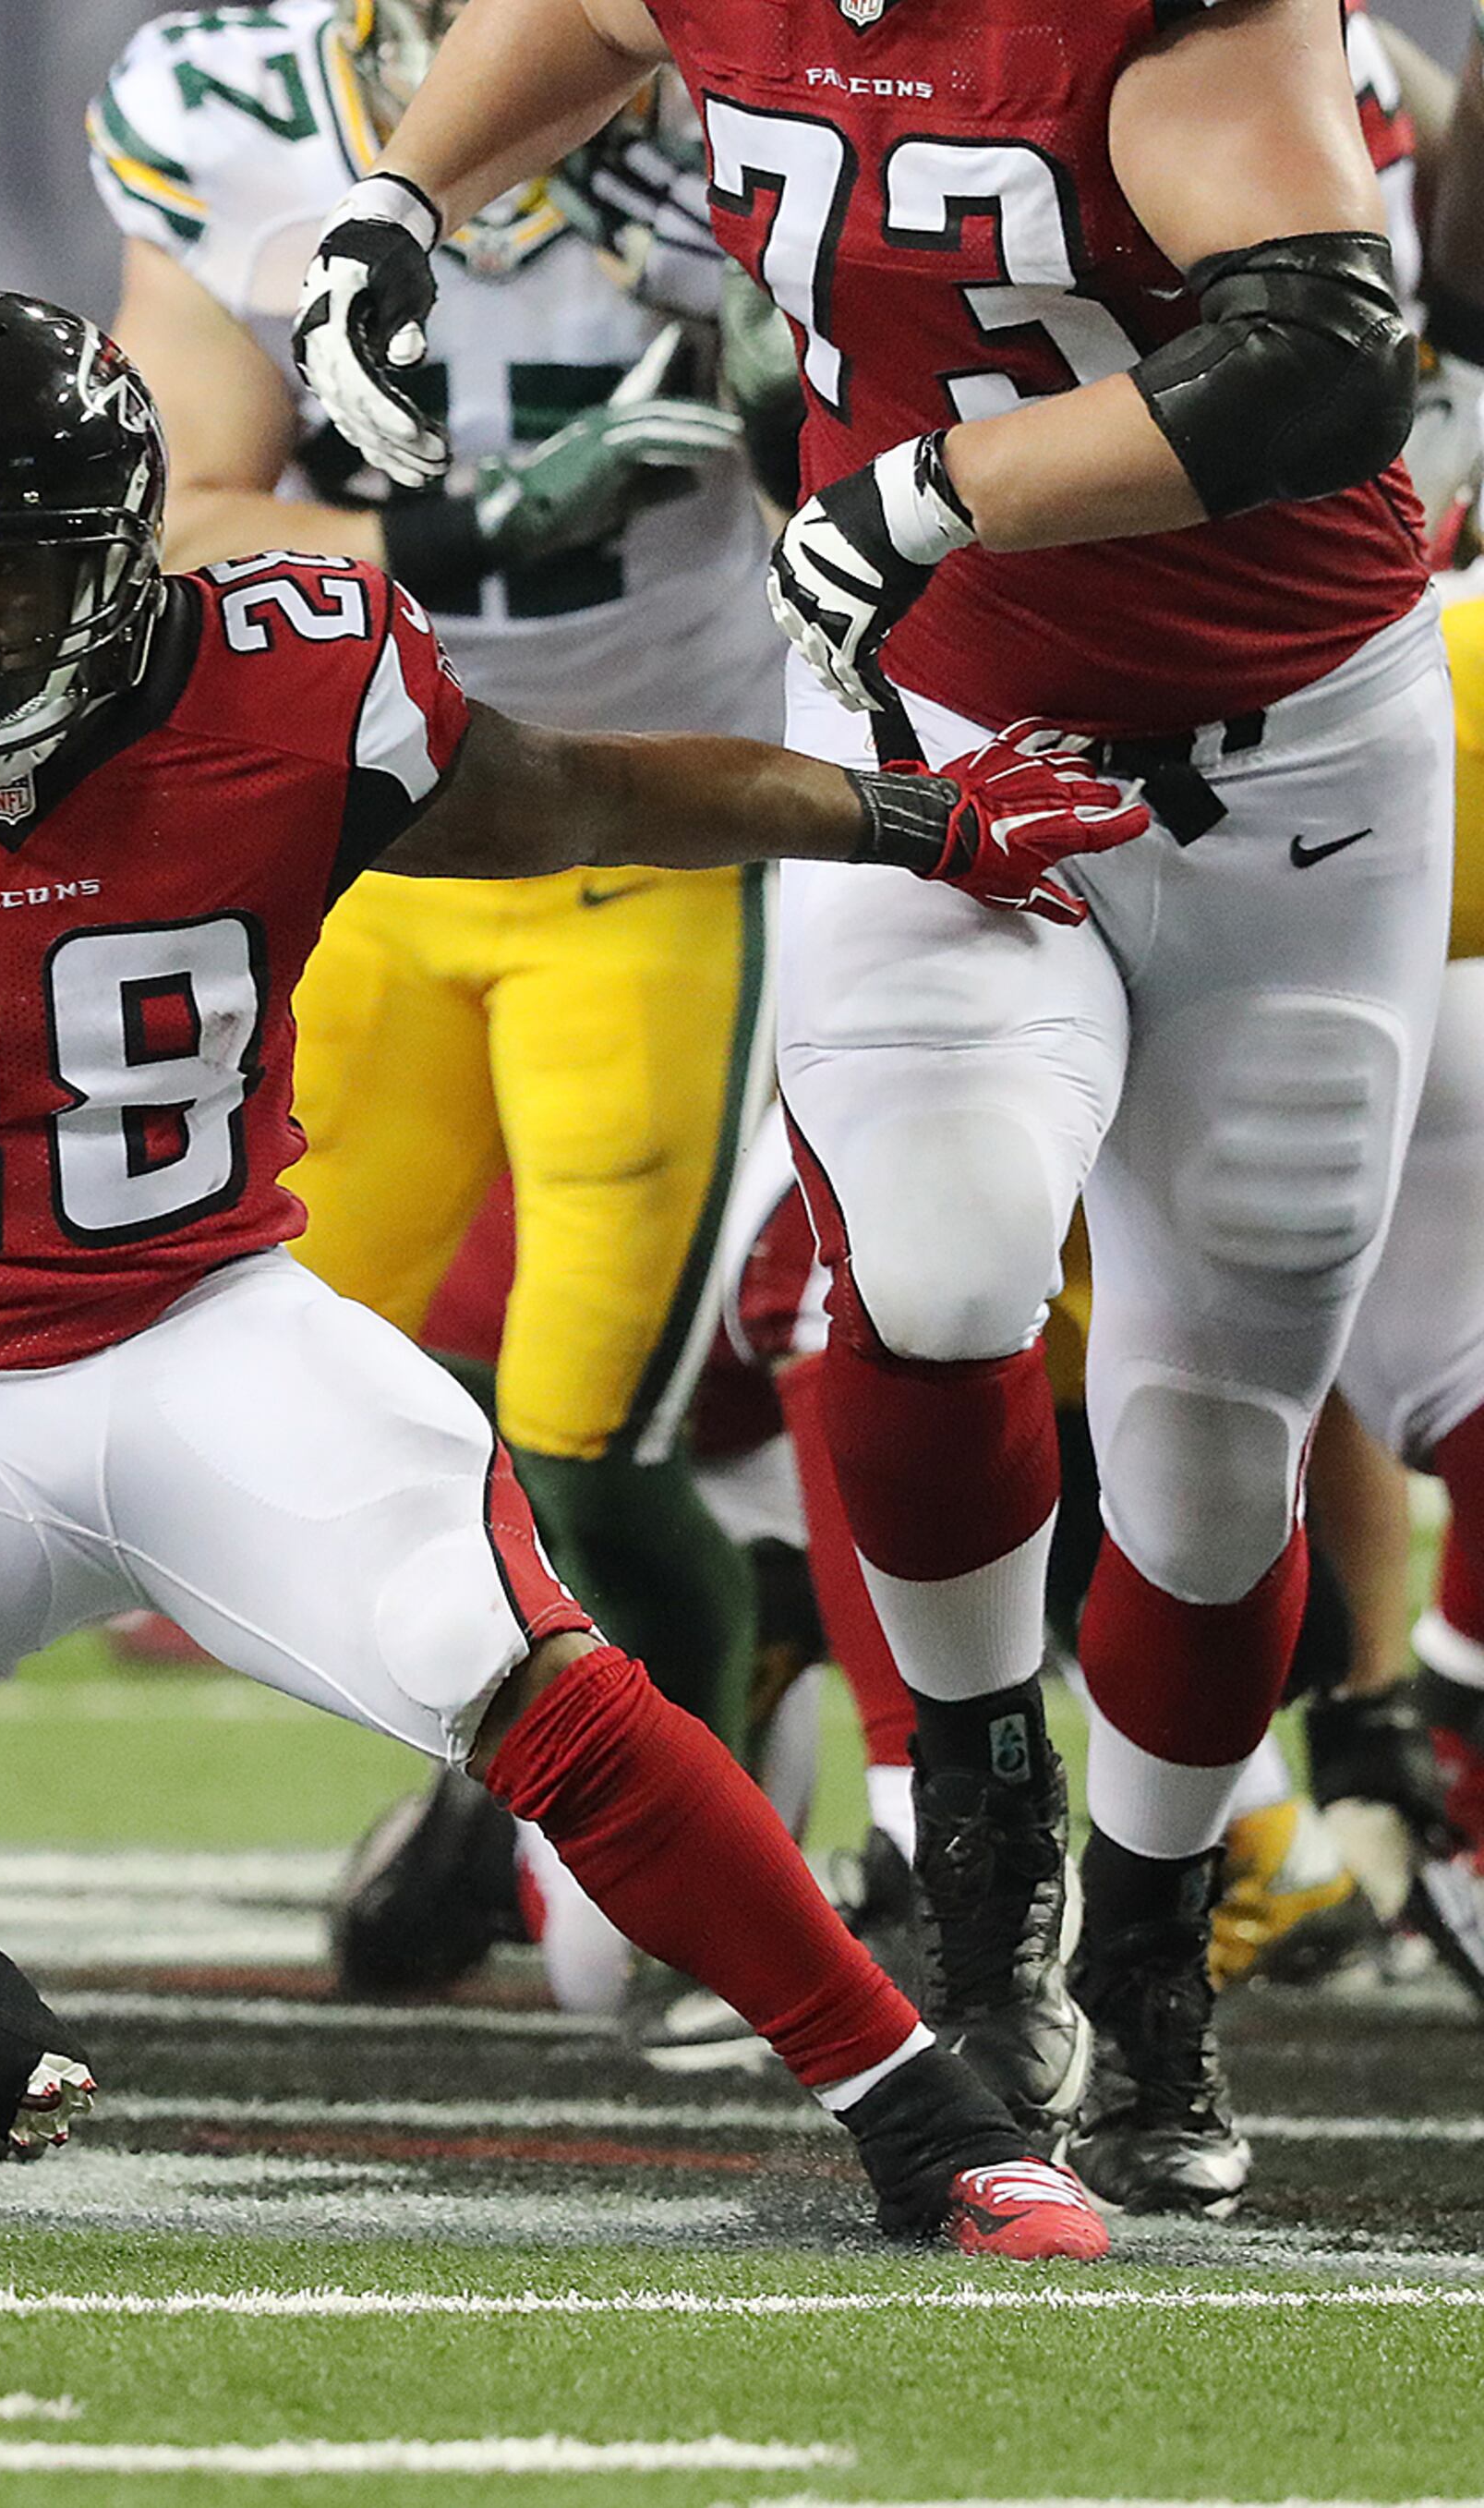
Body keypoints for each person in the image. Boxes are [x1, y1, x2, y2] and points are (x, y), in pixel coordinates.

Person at [0, 290, 1129, 2255]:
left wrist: (912, 816)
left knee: (520, 1670)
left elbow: (579, 795)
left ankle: (927, 2117)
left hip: (198, 1351)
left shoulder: (291, 678)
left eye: (2, 580)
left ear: (120, 558)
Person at [290, 0, 1447, 2217]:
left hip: (1289, 775)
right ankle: (985, 1887)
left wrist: (935, 486)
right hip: (931, 729)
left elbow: (1320, 356)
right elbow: (583, 18)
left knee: (1213, 1448)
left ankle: (1152, 1937)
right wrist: (397, 199)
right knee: (927, 1262)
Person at [90, 0, 782, 2017]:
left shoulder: (765, 87)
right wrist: (469, 526)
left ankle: (703, 1792)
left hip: (663, 820)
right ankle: (522, 1742)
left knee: (593, 1428)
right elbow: (182, 516)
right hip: (370, 839)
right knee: (220, 1397)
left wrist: (803, 411)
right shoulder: (233, 104)